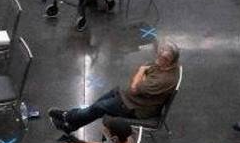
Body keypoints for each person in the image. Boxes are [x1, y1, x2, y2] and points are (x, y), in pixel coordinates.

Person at [49, 42, 180, 133]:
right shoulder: (164, 66)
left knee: (98, 108)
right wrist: (142, 79)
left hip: (136, 108)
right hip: (132, 98)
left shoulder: (163, 79)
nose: (156, 59)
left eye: (160, 57)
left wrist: (141, 72)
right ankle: (70, 124)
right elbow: (140, 80)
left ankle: (68, 117)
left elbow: (134, 86)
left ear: (168, 61)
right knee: (97, 105)